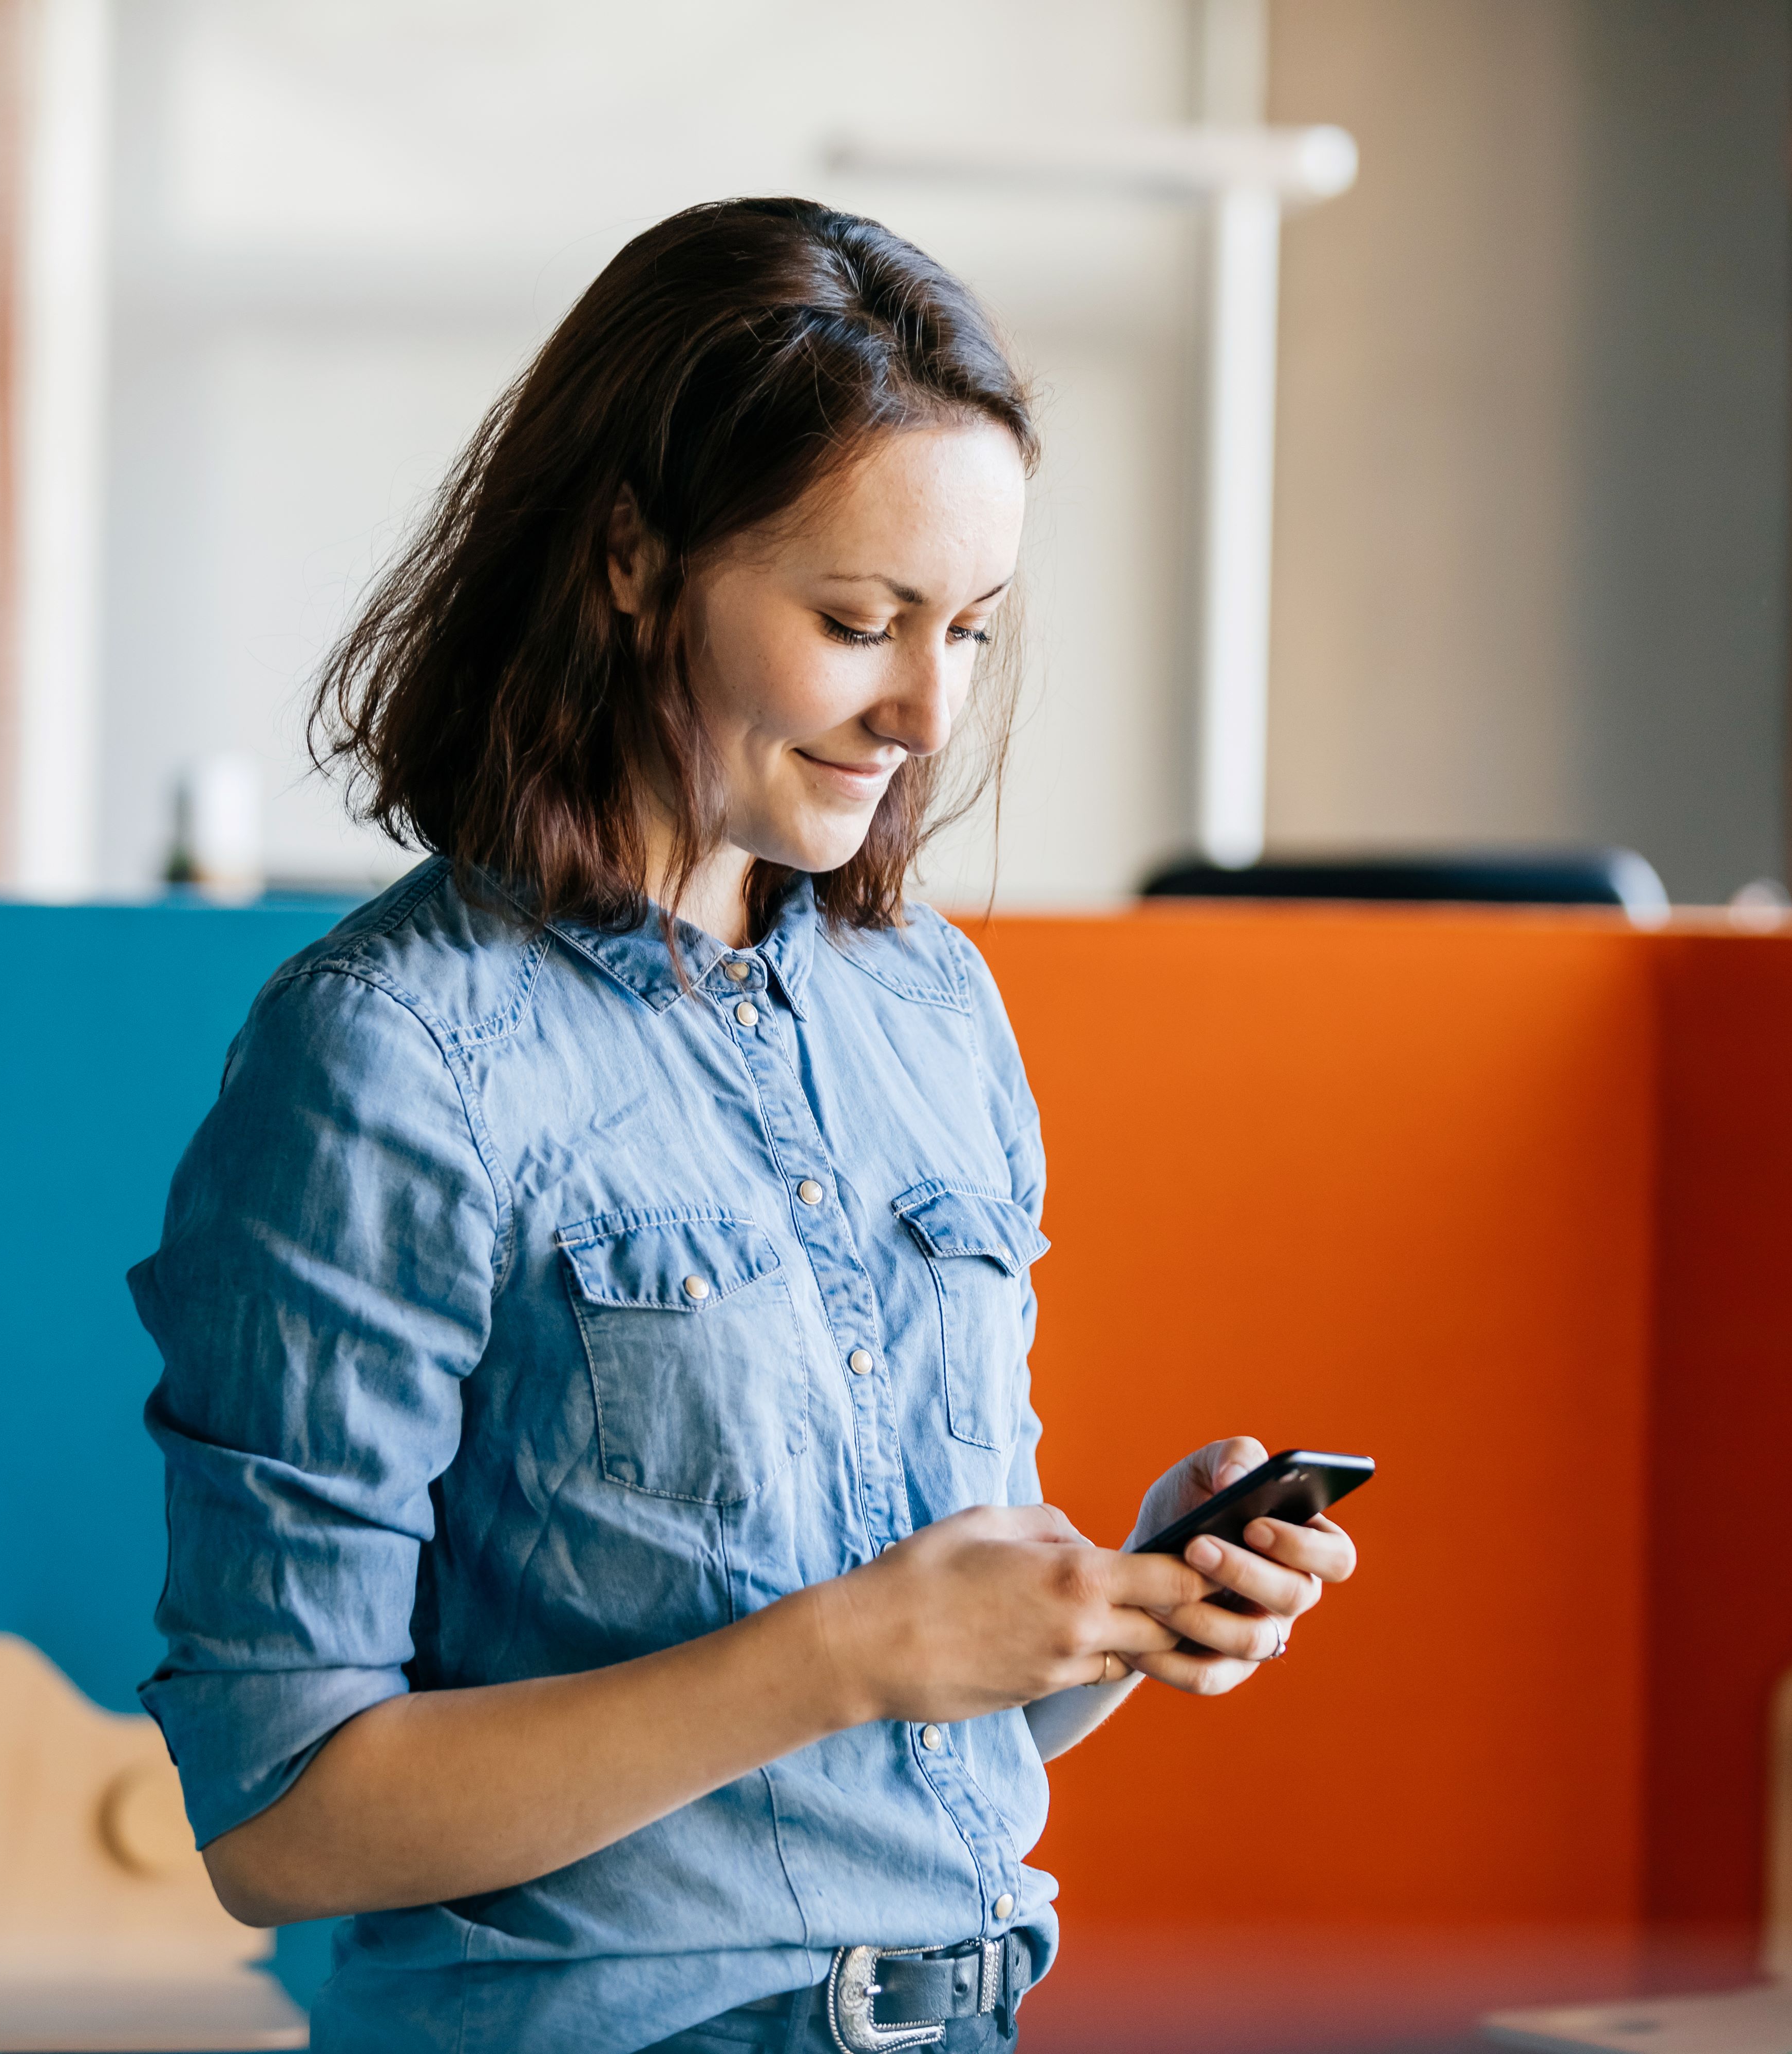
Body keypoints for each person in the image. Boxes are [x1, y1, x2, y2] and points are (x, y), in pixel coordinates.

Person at [128, 197, 1357, 2054]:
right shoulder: (388, 1062)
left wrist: (1108, 1614)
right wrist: (846, 1650)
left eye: (970, 629)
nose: (926, 709)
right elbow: (289, 1818)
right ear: (632, 558)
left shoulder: (929, 1011)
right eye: (858, 622)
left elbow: (916, 1736)